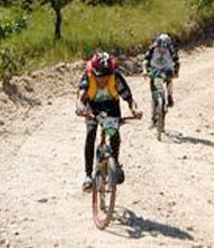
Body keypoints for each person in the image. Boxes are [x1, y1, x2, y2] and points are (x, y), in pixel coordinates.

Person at [76, 52, 141, 192]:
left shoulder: (116, 78)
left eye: (106, 75)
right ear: (93, 72)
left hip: (111, 105)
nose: (103, 79)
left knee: (114, 134)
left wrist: (135, 110)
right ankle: (88, 175)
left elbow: (129, 98)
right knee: (91, 133)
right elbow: (81, 97)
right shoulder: (88, 77)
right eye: (100, 76)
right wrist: (80, 107)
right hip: (92, 107)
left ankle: (115, 164)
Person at [144, 33, 179, 126]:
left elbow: (176, 61)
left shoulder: (171, 50)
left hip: (167, 69)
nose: (162, 50)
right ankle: (153, 116)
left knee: (169, 80)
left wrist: (175, 71)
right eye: (160, 48)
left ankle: (170, 95)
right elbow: (146, 60)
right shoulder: (152, 49)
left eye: (165, 48)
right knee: (154, 94)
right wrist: (145, 70)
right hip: (154, 70)